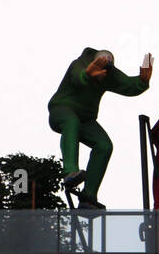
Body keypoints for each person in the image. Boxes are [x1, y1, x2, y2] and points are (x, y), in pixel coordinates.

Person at [49, 47, 153, 209]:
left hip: (85, 119)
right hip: (61, 110)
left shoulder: (108, 75)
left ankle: (89, 196)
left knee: (104, 145)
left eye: (106, 71)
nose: (102, 74)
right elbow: (76, 77)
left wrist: (142, 81)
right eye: (99, 69)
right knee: (71, 122)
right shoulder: (78, 65)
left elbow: (127, 85)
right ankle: (70, 171)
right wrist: (87, 74)